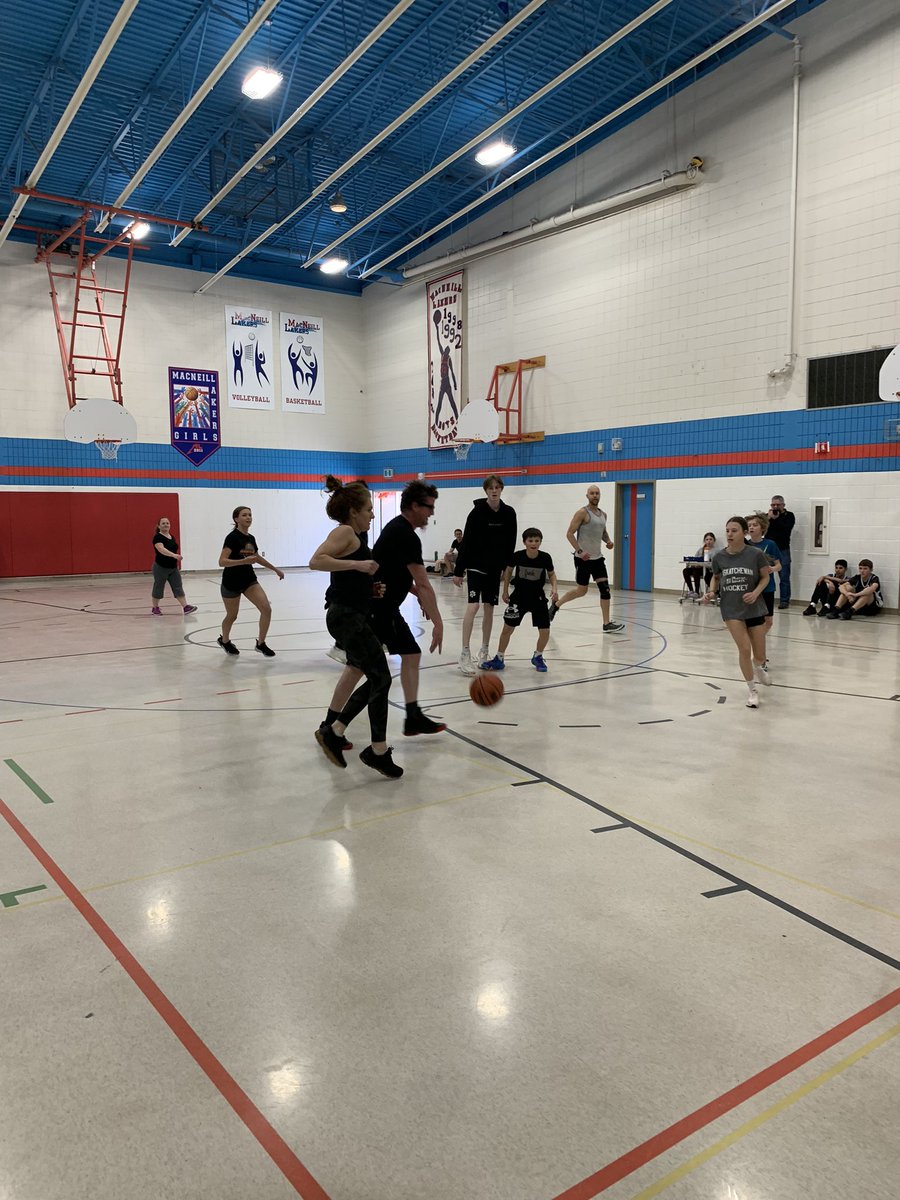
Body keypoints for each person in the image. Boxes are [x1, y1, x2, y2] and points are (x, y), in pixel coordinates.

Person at [336, 479, 447, 757]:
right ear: (414, 506)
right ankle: (332, 726)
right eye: (429, 507)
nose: (431, 513)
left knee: (406, 654)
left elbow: (393, 572)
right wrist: (438, 622)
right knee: (361, 670)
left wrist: (413, 591)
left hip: (383, 607)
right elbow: (423, 581)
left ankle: (412, 715)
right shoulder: (405, 534)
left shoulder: (398, 528)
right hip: (377, 609)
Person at [310, 477, 401, 778]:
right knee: (380, 678)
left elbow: (346, 579)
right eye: (369, 510)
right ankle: (370, 748)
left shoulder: (358, 537)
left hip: (354, 614)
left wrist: (369, 590)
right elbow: (316, 561)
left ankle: (338, 730)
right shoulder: (345, 531)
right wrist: (358, 566)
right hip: (345, 617)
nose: (372, 515)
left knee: (374, 676)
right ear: (353, 511)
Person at [703, 516, 772, 708]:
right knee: (744, 649)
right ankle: (752, 691)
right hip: (731, 609)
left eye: (734, 530)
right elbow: (716, 577)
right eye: (727, 530)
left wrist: (755, 593)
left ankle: (758, 667)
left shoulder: (756, 554)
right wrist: (711, 591)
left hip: (754, 608)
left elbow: (765, 577)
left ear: (744, 533)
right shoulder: (720, 557)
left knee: (760, 655)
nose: (730, 534)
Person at [453, 475, 517, 674]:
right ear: (486, 491)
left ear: (501, 489)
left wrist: (506, 568)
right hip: (475, 566)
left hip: (494, 568)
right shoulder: (477, 512)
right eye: (491, 488)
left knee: (489, 608)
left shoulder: (509, 513)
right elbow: (466, 542)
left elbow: (511, 542)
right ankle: (464, 653)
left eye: (497, 487)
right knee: (473, 606)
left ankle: (484, 650)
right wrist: (458, 570)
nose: (494, 491)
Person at [548, 484, 624, 633]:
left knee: (605, 589)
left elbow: (603, 532)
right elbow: (569, 534)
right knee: (581, 591)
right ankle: (556, 605)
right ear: (587, 496)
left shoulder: (603, 515)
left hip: (598, 559)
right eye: (592, 493)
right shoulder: (582, 513)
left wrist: (608, 541)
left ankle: (606, 623)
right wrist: (580, 551)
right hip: (583, 559)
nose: (595, 495)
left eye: (597, 493)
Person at [481, 529, 558, 672]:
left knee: (545, 630)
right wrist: (505, 591)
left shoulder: (545, 557)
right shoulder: (517, 556)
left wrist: (554, 588)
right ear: (524, 542)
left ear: (540, 542)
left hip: (538, 598)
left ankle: (538, 656)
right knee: (507, 628)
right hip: (519, 597)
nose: (533, 543)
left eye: (537, 541)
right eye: (530, 540)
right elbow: (508, 571)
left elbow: (552, 574)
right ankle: (499, 658)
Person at [217, 506, 284, 656]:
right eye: (244, 515)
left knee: (266, 609)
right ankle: (225, 640)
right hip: (231, 582)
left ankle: (261, 644)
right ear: (236, 519)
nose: (248, 517)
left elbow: (256, 557)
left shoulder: (250, 538)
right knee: (232, 616)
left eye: (250, 515)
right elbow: (222, 561)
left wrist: (275, 569)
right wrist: (243, 561)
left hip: (249, 580)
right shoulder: (232, 537)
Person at [746, 511, 782, 682]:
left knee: (768, 622)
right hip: (752, 588)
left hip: (767, 587)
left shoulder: (770, 544)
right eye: (749, 525)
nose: (752, 527)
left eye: (755, 525)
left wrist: (772, 569)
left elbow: (779, 565)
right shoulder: (744, 545)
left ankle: (757, 645)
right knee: (757, 624)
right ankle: (761, 659)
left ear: (762, 528)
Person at [150, 516, 197, 616]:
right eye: (163, 523)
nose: (166, 525)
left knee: (178, 587)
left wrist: (175, 559)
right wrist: (174, 555)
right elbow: (161, 549)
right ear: (159, 526)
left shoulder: (172, 537)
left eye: (167, 523)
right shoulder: (157, 537)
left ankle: (185, 607)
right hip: (160, 567)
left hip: (173, 568)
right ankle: (155, 608)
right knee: (158, 587)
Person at [767, 494, 795, 608]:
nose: (775, 507)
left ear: (783, 505)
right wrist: (768, 519)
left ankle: (784, 601)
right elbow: (762, 530)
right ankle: (766, 598)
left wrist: (776, 519)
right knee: (765, 573)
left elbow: (786, 529)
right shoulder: (768, 516)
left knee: (784, 577)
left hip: (783, 549)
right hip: (769, 549)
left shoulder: (789, 516)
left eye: (777, 505)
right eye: (773, 505)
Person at [682, 532, 717, 599]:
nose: (708, 541)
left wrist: (702, 564)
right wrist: (695, 564)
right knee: (685, 571)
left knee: (696, 571)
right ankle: (691, 590)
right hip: (697, 568)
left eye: (710, 539)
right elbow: (695, 559)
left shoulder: (715, 551)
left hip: (708, 570)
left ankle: (697, 592)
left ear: (714, 540)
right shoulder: (701, 550)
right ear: (704, 541)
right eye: (707, 539)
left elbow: (714, 564)